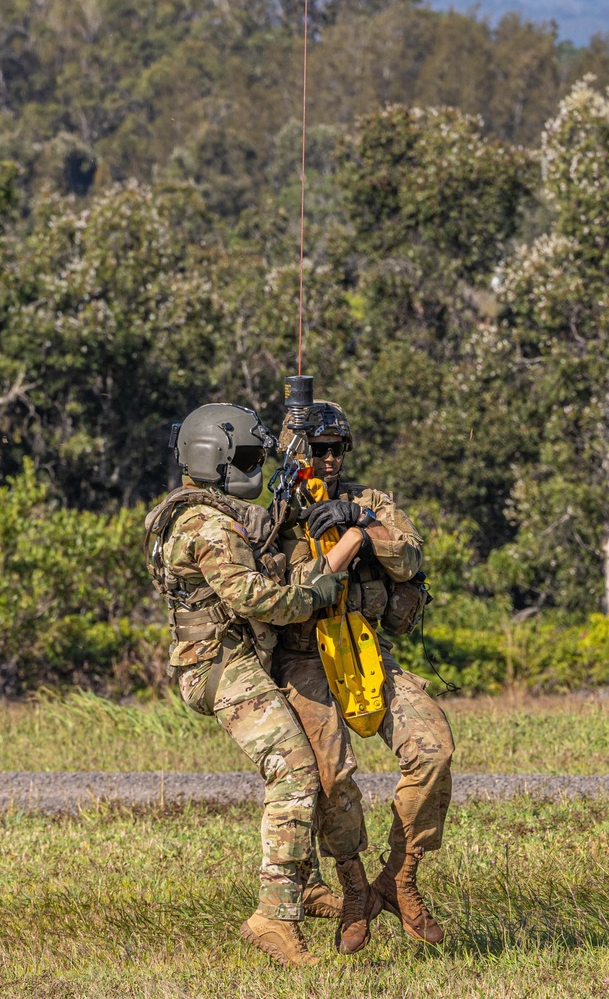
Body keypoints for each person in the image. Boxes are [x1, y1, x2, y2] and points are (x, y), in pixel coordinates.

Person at [144, 402, 347, 968]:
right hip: (218, 667)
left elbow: (264, 521)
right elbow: (253, 598)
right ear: (216, 459)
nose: (256, 468)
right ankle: (273, 918)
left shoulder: (201, 512)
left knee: (303, 764)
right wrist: (317, 592)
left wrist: (292, 435)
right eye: (249, 458)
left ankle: (298, 884)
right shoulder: (207, 525)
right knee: (295, 770)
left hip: (228, 658)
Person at [273, 400, 455, 954]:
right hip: (304, 659)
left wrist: (362, 526)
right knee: (331, 778)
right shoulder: (272, 515)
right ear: (296, 455)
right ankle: (353, 888)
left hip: (366, 650)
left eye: (338, 450)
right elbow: (273, 594)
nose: (330, 461)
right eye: (318, 450)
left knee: (433, 749)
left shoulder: (370, 504)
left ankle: (400, 877)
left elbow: (409, 557)